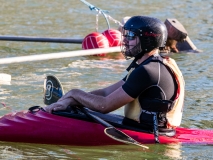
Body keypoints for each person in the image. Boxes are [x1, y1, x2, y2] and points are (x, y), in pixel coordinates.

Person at [44, 16, 185, 131]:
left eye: (130, 36)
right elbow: (106, 93)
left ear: (147, 40)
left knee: (73, 112)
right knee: (76, 108)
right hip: (146, 128)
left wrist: (74, 93)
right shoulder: (148, 65)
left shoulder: (148, 71)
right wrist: (72, 100)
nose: (124, 40)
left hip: (149, 134)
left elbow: (104, 106)